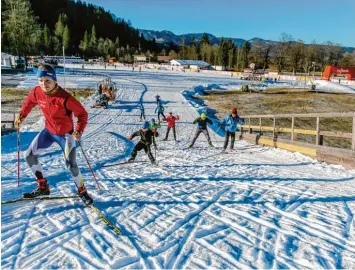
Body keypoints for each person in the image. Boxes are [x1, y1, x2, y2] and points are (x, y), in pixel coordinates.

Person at [14, 63, 93, 204]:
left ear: (55, 80)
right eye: (41, 81)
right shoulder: (36, 92)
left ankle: (82, 191)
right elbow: (28, 103)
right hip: (48, 132)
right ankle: (43, 186)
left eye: (48, 81)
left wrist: (79, 130)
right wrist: (21, 116)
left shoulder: (65, 98)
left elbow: (82, 114)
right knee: (29, 156)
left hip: (66, 135)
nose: (44, 84)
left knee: (71, 164)